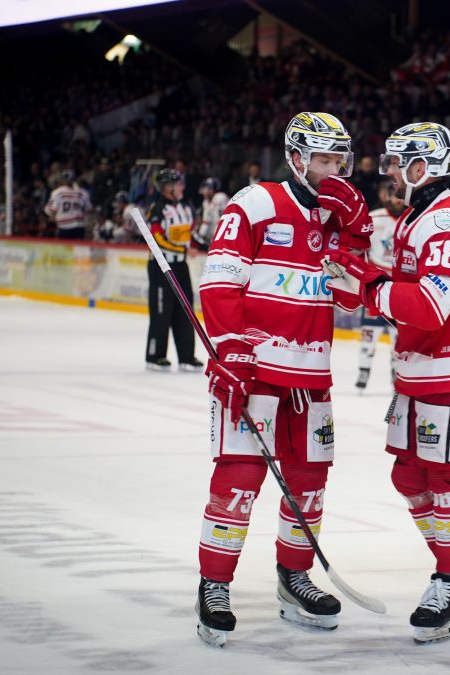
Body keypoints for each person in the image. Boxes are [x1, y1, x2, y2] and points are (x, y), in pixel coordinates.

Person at [322, 121, 450, 644]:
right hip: (419, 368)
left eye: (399, 163)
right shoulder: (419, 216)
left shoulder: (447, 218)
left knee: (447, 480)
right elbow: (405, 289)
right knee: (409, 476)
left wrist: (371, 285)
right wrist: (361, 282)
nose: (393, 173)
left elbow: (430, 304)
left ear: (423, 165)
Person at [193, 112, 368, 646]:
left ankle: (294, 578)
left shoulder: (338, 215)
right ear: (295, 157)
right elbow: (219, 282)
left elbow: (351, 294)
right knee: (239, 481)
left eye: (339, 159)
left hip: (311, 376)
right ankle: (213, 585)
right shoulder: (257, 202)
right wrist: (229, 349)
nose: (333, 169)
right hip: (254, 373)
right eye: (323, 159)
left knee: (309, 485)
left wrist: (355, 235)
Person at [143, 168, 203, 372]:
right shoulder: (157, 208)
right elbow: (156, 238)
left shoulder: (186, 208)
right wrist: (184, 248)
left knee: (186, 309)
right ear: (167, 187)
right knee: (162, 311)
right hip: (161, 266)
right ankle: (155, 355)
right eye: (177, 184)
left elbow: (191, 232)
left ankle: (187, 356)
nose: (182, 187)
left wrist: (203, 244)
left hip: (180, 265)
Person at [354, 183, 402, 391]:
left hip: (400, 288)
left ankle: (397, 373)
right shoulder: (374, 218)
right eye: (393, 195)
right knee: (369, 333)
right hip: (376, 285)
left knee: (398, 337)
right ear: (385, 196)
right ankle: (364, 371)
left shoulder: (412, 219)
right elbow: (359, 248)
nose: (397, 200)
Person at [43, 169, 92, 239]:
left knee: (64, 249)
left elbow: (49, 211)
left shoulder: (57, 192)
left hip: (64, 227)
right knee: (78, 249)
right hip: (79, 227)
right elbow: (89, 209)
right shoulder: (83, 192)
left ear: (62, 180)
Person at [194, 177, 229, 252]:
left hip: (226, 235)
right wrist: (200, 238)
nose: (204, 191)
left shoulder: (220, 197)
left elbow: (222, 222)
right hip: (214, 236)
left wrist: (215, 241)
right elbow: (206, 222)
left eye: (206, 188)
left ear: (212, 189)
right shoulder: (206, 202)